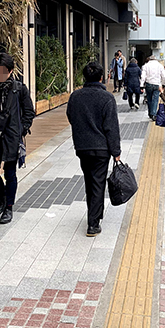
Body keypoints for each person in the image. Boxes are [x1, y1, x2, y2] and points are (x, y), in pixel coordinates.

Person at [0, 52, 35, 225]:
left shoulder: (19, 89)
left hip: (11, 137)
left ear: (10, 71)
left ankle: (8, 207)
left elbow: (29, 112)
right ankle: (3, 194)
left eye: (2, 71)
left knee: (10, 173)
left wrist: (21, 131)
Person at [66, 61, 121, 237]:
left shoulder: (75, 97)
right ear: (101, 77)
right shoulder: (107, 98)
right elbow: (111, 127)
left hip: (82, 147)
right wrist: (116, 152)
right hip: (101, 148)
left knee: (90, 181)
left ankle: (95, 214)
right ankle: (93, 223)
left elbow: (70, 116)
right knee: (97, 182)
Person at [140, 55, 165, 120]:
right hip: (156, 84)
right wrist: (164, 84)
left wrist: (141, 85)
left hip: (148, 84)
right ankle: (154, 114)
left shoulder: (145, 66)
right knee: (155, 99)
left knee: (149, 99)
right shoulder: (160, 66)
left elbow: (143, 76)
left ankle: (150, 113)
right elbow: (164, 76)